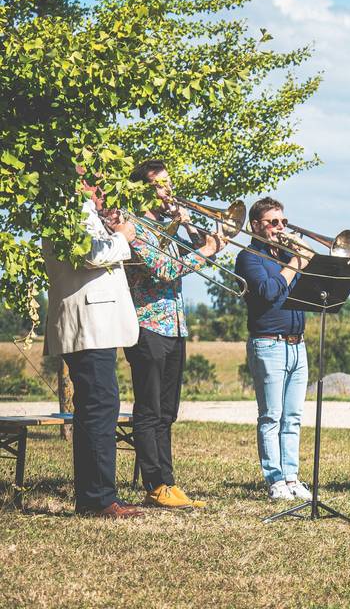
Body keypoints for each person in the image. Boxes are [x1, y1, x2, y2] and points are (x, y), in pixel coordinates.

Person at [124, 160, 225, 508]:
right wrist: (206, 251)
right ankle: (154, 484)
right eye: (160, 184)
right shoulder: (135, 228)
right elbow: (166, 270)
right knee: (149, 410)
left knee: (168, 412)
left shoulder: (167, 228)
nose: (168, 190)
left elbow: (194, 256)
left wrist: (201, 237)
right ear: (142, 190)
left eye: (168, 182)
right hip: (148, 326)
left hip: (175, 325)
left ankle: (167, 481)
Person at [42, 176, 144, 518]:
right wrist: (122, 235)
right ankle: (99, 498)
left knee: (96, 408)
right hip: (88, 324)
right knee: (100, 407)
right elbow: (90, 256)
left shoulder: (84, 213)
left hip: (97, 324)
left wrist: (108, 226)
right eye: (95, 181)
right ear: (78, 182)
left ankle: (94, 496)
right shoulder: (69, 212)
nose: (103, 189)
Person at [234, 197, 313, 501]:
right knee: (272, 416)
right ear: (256, 226)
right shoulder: (249, 257)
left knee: (293, 416)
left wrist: (304, 263)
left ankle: (292, 477)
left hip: (297, 344)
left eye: (284, 222)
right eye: (273, 222)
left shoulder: (287, 255)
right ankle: (275, 480)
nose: (281, 228)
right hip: (268, 343)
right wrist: (294, 264)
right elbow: (267, 292)